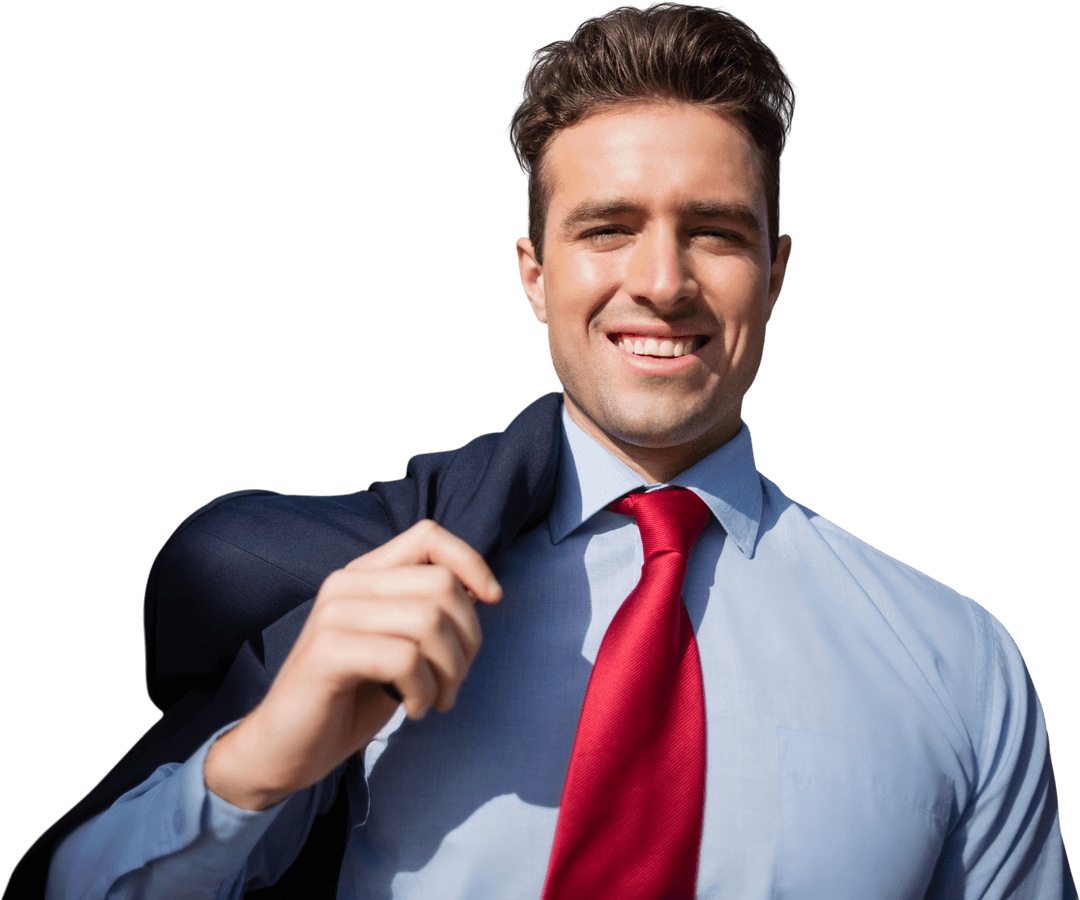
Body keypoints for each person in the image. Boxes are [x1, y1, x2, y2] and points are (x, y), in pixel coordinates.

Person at [8, 3, 1074, 898]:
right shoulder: (368, 601)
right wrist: (255, 766)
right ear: (533, 275)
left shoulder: (960, 670)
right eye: (608, 228)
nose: (662, 280)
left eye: (715, 230)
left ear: (778, 271)